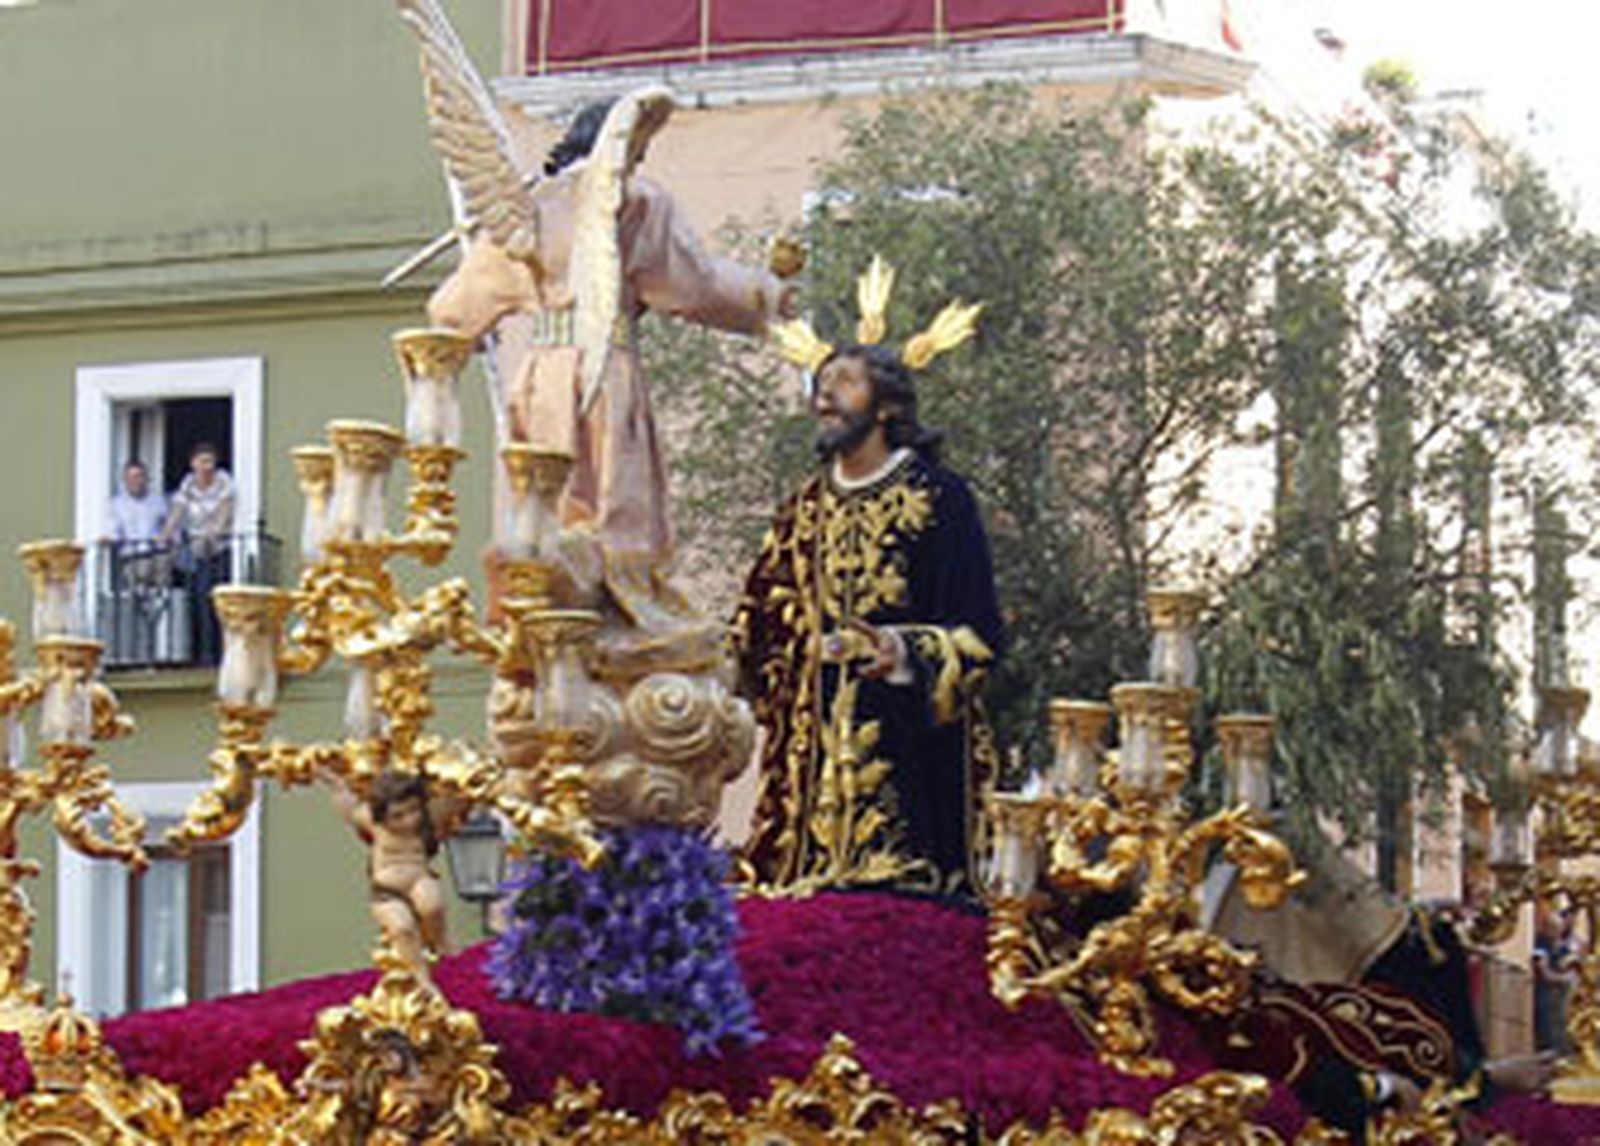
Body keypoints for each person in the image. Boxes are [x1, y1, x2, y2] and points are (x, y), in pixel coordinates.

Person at [424, 90, 794, 660]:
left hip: (539, 375)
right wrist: (764, 297)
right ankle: (623, 601)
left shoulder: (523, 206)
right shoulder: (633, 200)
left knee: (549, 503)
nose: (638, 162)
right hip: (604, 364)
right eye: (637, 151)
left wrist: (469, 336)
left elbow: (452, 309)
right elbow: (690, 285)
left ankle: (550, 596)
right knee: (614, 500)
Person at [733, 339, 1003, 896]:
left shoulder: (939, 496)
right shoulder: (802, 510)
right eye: (821, 384)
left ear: (888, 406)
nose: (825, 397)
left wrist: (904, 652)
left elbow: (979, 634)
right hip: (808, 784)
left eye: (845, 382)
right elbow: (756, 620)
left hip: (911, 764)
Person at [329, 769, 466, 977]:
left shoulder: (429, 820)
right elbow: (347, 806)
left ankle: (441, 942)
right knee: (402, 930)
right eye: (397, 816)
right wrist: (335, 781)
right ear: (381, 815)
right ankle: (419, 976)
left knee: (433, 905)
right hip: (387, 891)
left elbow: (459, 799)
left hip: (419, 879)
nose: (409, 821)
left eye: (413, 810)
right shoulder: (372, 822)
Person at [159, 442, 235, 664]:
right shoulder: (188, 485)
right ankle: (201, 652)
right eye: (202, 461)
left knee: (217, 601)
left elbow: (225, 509)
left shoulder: (223, 482)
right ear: (193, 464)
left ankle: (218, 651)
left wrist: (215, 532)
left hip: (219, 550)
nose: (206, 467)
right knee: (199, 598)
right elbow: (177, 511)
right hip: (197, 550)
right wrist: (164, 534)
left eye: (210, 461)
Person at [1534, 903, 1578, 1054]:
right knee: (1550, 1032)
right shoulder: (1541, 945)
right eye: (1553, 929)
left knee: (1564, 1029)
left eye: (1559, 929)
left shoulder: (1563, 947)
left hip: (1562, 998)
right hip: (1548, 997)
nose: (1557, 933)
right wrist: (1564, 979)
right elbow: (1544, 972)